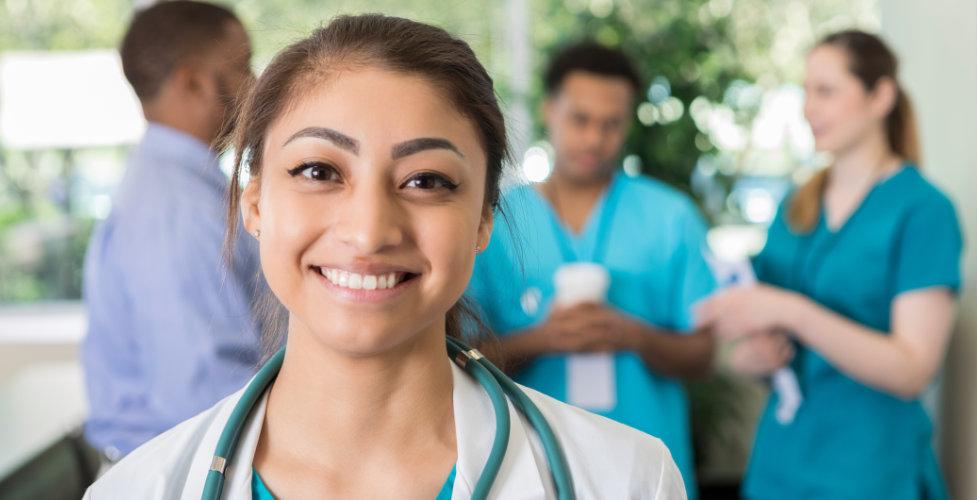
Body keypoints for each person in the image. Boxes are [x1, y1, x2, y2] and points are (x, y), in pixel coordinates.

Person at [84, 14, 687, 499]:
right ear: (256, 202)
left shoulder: (626, 480)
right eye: (318, 170)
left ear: (483, 219)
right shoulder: (139, 490)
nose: (370, 231)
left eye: (426, 180)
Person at [696, 30, 962, 499]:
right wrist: (750, 359)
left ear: (880, 96)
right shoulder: (798, 207)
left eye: (826, 91)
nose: (808, 108)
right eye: (805, 91)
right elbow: (764, 339)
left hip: (870, 472)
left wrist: (792, 311)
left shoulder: (923, 210)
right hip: (781, 466)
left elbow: (912, 370)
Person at [465, 42, 717, 496]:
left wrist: (634, 335)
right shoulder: (496, 223)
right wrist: (542, 339)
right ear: (550, 111)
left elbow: (703, 355)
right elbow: (456, 358)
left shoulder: (670, 217)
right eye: (581, 119)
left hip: (647, 471)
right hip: (528, 468)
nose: (595, 139)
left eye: (612, 124)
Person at [80, 0, 259, 461]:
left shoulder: (178, 188)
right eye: (244, 68)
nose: (257, 86)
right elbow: (205, 394)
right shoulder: (178, 211)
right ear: (194, 81)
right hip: (184, 470)